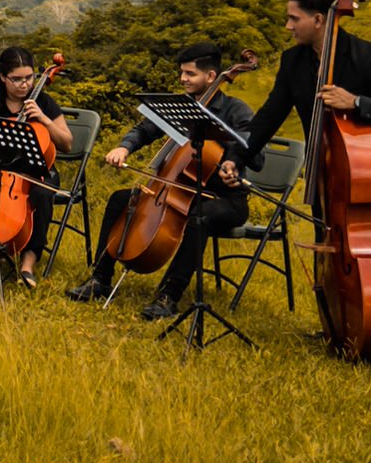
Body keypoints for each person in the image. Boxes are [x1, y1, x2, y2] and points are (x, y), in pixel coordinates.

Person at [65, 41, 254, 319]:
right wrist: (124, 147)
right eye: (182, 72)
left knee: (199, 217)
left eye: (190, 74)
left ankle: (169, 296)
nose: (183, 78)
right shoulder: (181, 106)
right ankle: (100, 279)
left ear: (211, 77)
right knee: (120, 199)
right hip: (177, 188)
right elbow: (145, 129)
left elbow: (251, 148)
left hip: (224, 197)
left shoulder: (236, 111)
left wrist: (232, 162)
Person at [242, 0, 371, 179]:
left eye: (294, 19)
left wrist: (355, 102)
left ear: (318, 20)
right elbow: (269, 117)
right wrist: (235, 158)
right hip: (322, 175)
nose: (288, 26)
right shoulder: (292, 61)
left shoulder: (367, 56)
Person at [0, 46, 71, 288]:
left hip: (36, 170)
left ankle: (28, 262)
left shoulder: (43, 101)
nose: (24, 84)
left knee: (41, 193)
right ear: (2, 77)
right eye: (16, 79)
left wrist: (43, 118)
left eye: (29, 78)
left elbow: (67, 143)